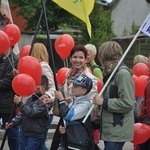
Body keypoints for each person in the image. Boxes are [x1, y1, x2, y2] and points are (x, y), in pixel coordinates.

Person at [51, 45, 98, 150]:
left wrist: (75, 104)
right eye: (75, 57)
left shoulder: (90, 79)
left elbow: (92, 102)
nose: (78, 60)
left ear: (86, 59)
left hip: (78, 120)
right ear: (70, 58)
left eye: (81, 58)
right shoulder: (69, 74)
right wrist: (70, 100)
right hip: (65, 114)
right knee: (57, 145)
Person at [92, 41, 135, 150]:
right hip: (111, 128)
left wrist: (104, 102)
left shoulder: (122, 74)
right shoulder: (110, 73)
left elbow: (128, 103)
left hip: (117, 129)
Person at [6, 75, 51, 150]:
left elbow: (32, 113)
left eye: (36, 85)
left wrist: (20, 103)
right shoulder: (31, 98)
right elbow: (22, 113)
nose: (33, 86)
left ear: (44, 87)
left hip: (34, 134)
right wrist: (13, 123)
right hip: (24, 132)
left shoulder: (44, 102)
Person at [55, 73, 93, 149]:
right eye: (73, 84)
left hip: (78, 142)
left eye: (76, 86)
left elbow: (68, 116)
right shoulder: (74, 100)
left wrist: (61, 100)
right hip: (70, 139)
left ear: (84, 90)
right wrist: (64, 127)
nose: (72, 87)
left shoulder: (84, 105)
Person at [31, 42, 55, 150]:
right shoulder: (35, 66)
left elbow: (52, 86)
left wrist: (47, 96)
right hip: (38, 109)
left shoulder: (43, 66)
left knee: (39, 144)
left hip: (43, 109)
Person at [84, 43, 103, 150]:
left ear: (94, 55)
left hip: (93, 106)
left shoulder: (95, 69)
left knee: (91, 137)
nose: (86, 56)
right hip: (86, 105)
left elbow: (101, 88)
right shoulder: (84, 67)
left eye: (88, 54)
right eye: (84, 53)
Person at [0, 47, 19, 150]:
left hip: (8, 104)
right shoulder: (1, 59)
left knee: (11, 132)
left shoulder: (14, 61)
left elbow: (9, 81)